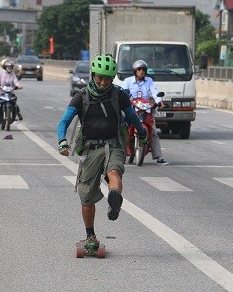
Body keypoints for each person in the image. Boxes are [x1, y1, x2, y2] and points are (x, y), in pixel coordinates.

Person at [57, 54, 147, 251]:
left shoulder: (119, 95)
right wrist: (62, 141)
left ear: (112, 78)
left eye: (107, 78)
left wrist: (142, 133)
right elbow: (64, 121)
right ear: (93, 75)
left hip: (114, 144)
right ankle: (90, 236)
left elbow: (132, 117)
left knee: (114, 171)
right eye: (100, 77)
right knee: (86, 196)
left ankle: (115, 197)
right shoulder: (81, 97)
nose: (103, 82)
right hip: (90, 148)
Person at [121, 59, 169, 166]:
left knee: (153, 131)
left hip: (146, 110)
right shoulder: (128, 81)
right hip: (131, 110)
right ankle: (121, 155)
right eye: (139, 69)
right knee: (122, 129)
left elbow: (155, 92)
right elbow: (123, 93)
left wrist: (159, 102)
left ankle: (159, 157)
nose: (141, 71)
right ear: (135, 70)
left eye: (143, 69)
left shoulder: (149, 81)